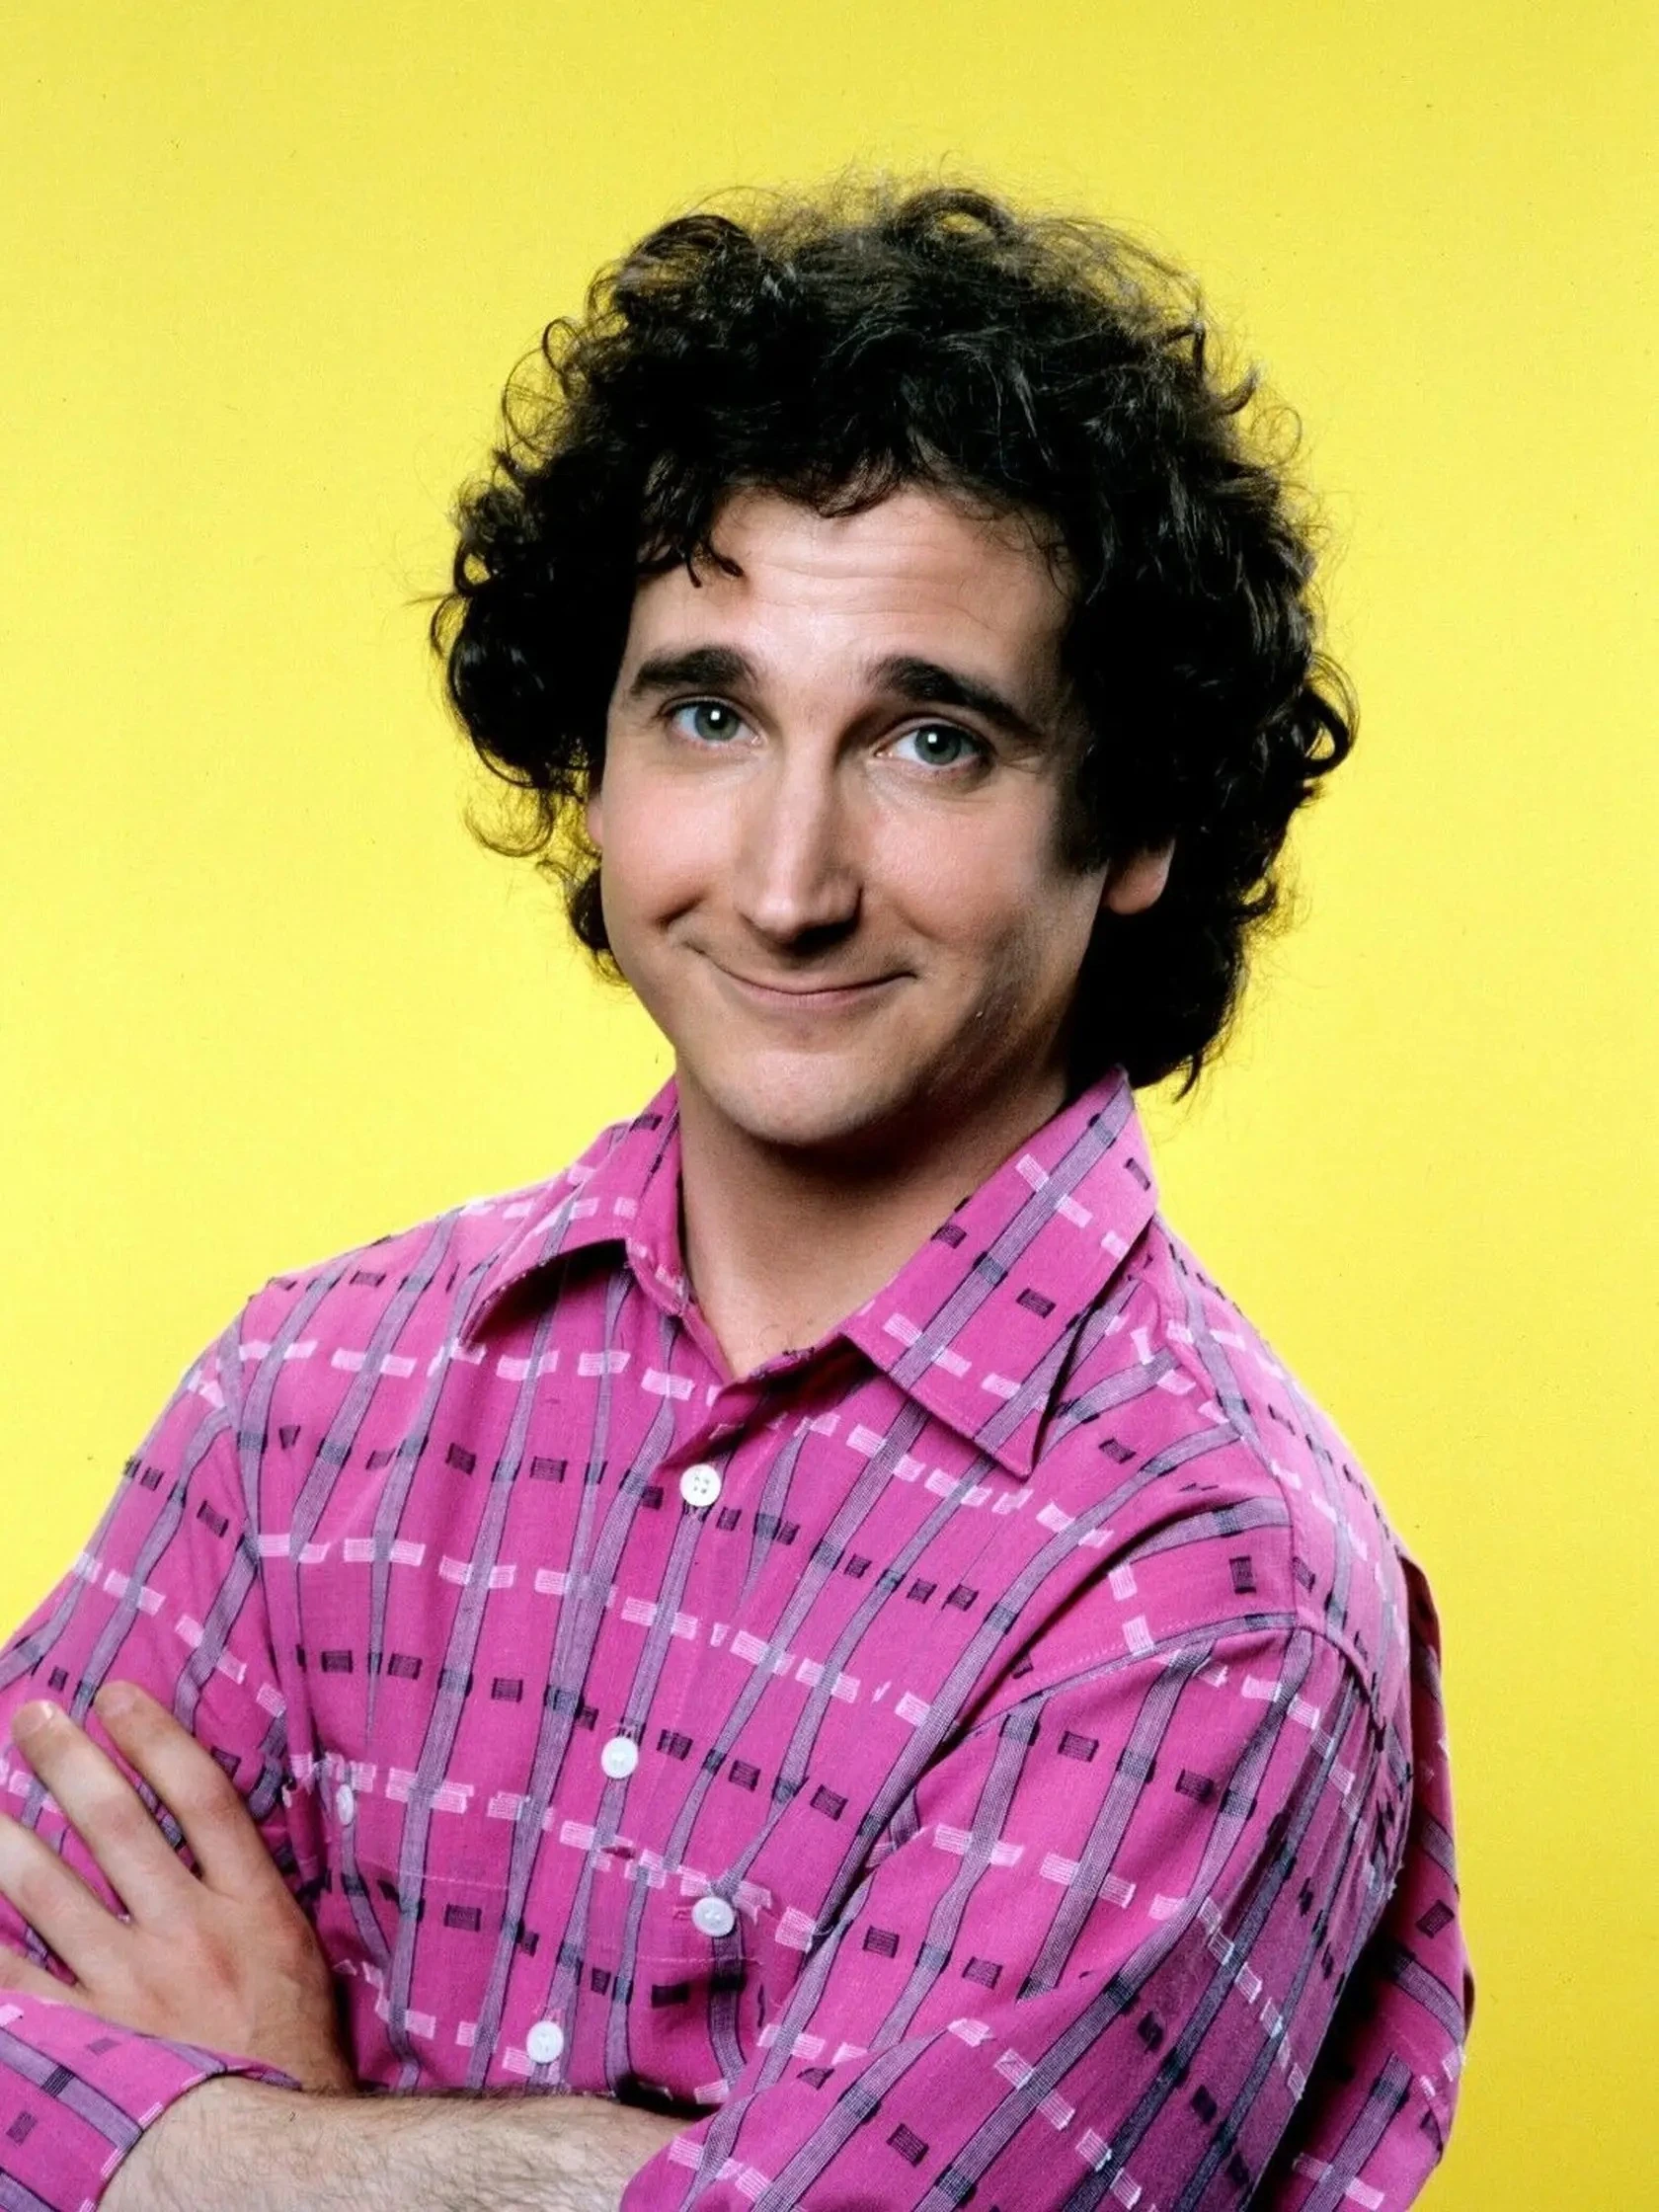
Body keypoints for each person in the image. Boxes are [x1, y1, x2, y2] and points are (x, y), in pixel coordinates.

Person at [0, 181, 1474, 2211]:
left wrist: (235, 2145)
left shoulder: (1203, 1592)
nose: (786, 883)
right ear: (592, 758)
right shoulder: (311, 1400)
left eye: (930, 741)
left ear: (1135, 818)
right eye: (709, 714)